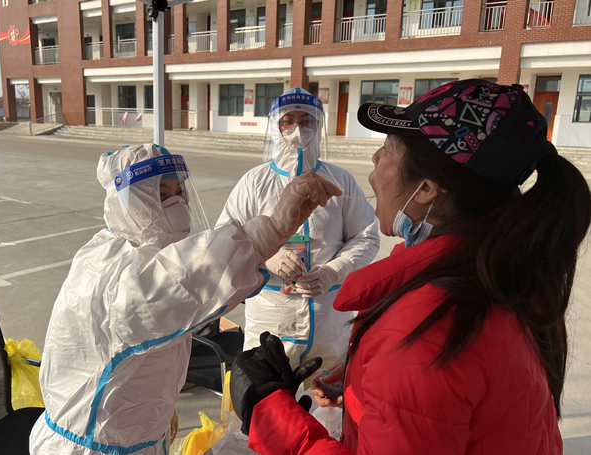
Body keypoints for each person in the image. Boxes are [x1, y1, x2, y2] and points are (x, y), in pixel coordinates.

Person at [230, 79, 591, 454]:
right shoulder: (495, 275)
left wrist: (269, 413)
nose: (375, 158)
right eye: (289, 121)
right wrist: (365, 382)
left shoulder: (425, 332)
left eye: (388, 148)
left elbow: (422, 373)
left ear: (426, 190)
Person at [28, 143, 341, 454]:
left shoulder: (135, 253)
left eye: (180, 192)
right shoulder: (116, 273)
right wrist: (268, 231)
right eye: (162, 195)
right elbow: (187, 280)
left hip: (133, 438)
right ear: (129, 203)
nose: (177, 203)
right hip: (89, 447)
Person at [216, 88, 379, 370]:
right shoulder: (254, 182)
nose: (297, 130)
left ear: (319, 125)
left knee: (325, 393)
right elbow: (224, 242)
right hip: (270, 319)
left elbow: (366, 237)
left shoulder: (340, 181)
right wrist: (265, 257)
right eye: (288, 122)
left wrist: (334, 270)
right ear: (275, 127)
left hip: (329, 321)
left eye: (306, 121)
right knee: (267, 390)